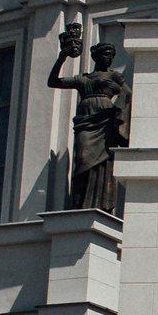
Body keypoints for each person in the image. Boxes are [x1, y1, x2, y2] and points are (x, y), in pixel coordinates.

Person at [48, 32, 128, 215]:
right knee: (83, 159)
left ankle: (101, 208)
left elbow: (128, 95)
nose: (110, 58)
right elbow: (53, 82)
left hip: (105, 120)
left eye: (112, 55)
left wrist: (117, 90)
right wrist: (62, 57)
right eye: (106, 54)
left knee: (104, 163)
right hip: (86, 121)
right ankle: (78, 207)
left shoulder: (115, 76)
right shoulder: (82, 79)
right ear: (95, 56)